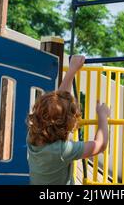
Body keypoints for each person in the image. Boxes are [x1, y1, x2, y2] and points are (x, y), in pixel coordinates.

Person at [27, 55, 110, 185]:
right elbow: (100, 145)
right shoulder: (62, 150)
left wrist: (72, 70)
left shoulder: (32, 136)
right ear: (68, 123)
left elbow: (56, 106)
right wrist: (103, 116)